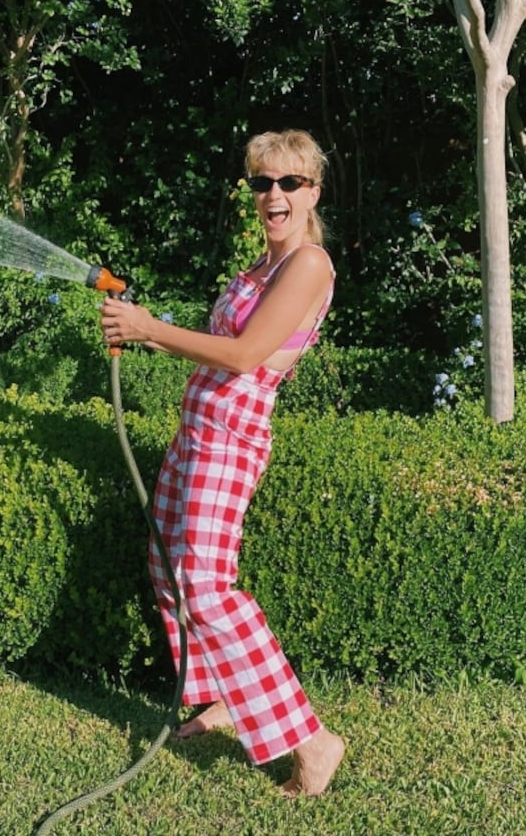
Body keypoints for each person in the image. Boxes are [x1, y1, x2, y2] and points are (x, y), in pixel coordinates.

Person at [100, 129, 345, 797]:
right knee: (167, 570)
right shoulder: (260, 267)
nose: (273, 195)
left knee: (205, 586)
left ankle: (311, 739)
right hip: (196, 428)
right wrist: (144, 328)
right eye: (261, 183)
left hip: (230, 436)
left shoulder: (307, 265)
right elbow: (216, 348)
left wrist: (148, 328)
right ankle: (225, 700)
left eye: (289, 183)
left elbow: (243, 357)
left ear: (312, 191)